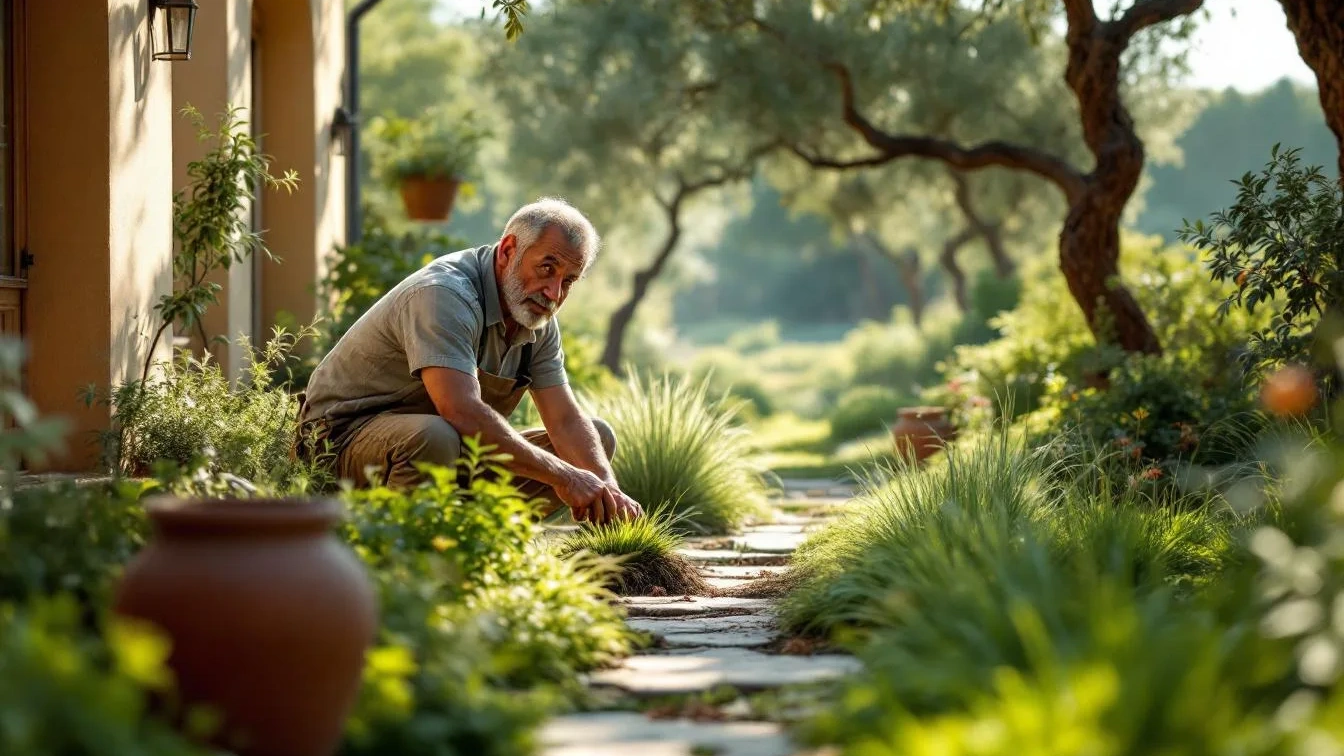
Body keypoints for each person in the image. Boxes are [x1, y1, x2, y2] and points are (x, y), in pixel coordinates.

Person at [295, 197, 643, 525]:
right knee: (435, 436)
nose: (554, 293)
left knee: (595, 439)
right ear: (508, 250)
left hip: (449, 448)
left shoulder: (537, 315)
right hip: (338, 444)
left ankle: (475, 543)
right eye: (546, 268)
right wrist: (564, 477)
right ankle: (405, 560)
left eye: (568, 280)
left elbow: (565, 420)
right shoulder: (445, 294)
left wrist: (608, 490)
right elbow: (460, 410)